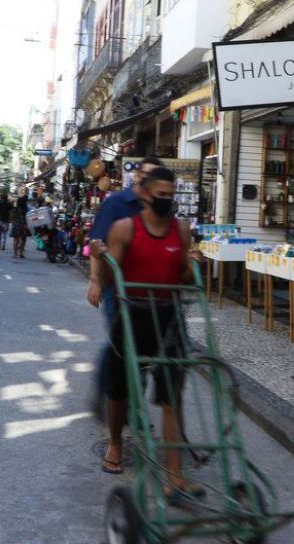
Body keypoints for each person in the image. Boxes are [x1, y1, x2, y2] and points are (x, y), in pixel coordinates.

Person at [97, 167, 203, 504]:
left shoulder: (181, 231)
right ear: (144, 193)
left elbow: (185, 277)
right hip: (133, 314)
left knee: (172, 395)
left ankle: (175, 474)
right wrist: (99, 269)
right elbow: (112, 274)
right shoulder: (125, 229)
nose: (167, 201)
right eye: (162, 195)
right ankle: (115, 441)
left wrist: (193, 264)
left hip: (169, 316)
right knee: (120, 388)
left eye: (172, 196)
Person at [85, 157, 163, 416]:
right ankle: (107, 391)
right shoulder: (117, 203)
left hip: (148, 289)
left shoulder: (159, 205)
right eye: (148, 175)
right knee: (121, 343)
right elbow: (97, 243)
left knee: (142, 348)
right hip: (116, 288)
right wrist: (95, 281)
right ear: (139, 175)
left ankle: (126, 401)